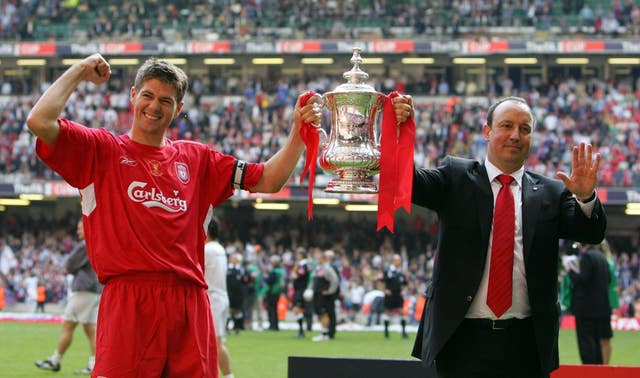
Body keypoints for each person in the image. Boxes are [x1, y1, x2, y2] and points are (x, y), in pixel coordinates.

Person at [25, 54, 322, 377]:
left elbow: (268, 178)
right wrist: (81, 70)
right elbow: (39, 121)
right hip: (128, 301)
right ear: (132, 96)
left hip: (189, 302)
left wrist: (298, 131)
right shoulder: (100, 150)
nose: (154, 106)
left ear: (178, 108)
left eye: (165, 100)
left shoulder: (198, 159)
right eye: (148, 95)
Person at [409, 96, 607, 377]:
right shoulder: (456, 177)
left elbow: (591, 232)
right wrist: (400, 131)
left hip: (527, 343)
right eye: (506, 126)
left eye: (524, 129)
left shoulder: (552, 192)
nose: (516, 135)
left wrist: (586, 197)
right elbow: (409, 183)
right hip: (461, 340)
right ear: (487, 131)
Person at [35, 219, 102, 375]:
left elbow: (70, 265)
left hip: (83, 290)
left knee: (68, 325)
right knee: (90, 329)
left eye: (80, 228)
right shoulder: (98, 241)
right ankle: (93, 364)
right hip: (95, 290)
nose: (78, 231)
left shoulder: (86, 244)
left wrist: (72, 269)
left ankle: (55, 360)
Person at [567, 242, 611, 365]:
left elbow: (583, 279)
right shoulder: (602, 257)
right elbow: (609, 279)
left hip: (586, 308)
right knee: (597, 341)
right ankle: (598, 368)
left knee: (586, 341)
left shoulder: (587, 257)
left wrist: (571, 272)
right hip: (601, 308)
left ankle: (588, 368)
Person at [204, 216, 234, 378]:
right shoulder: (219, 248)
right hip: (220, 297)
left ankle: (228, 375)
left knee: (216, 343)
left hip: (213, 298)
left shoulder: (206, 250)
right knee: (215, 342)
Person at [311, 249, 339, 342]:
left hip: (324, 296)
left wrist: (330, 291)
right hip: (318, 295)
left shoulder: (327, 268)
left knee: (324, 314)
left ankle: (325, 334)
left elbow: (335, 280)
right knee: (320, 314)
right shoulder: (318, 268)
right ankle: (324, 332)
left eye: (319, 258)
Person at [379, 253, 408, 339]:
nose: (398, 262)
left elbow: (405, 283)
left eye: (399, 260)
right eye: (396, 260)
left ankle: (404, 332)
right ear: (393, 261)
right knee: (388, 312)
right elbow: (380, 281)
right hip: (390, 295)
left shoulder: (401, 272)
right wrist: (384, 290)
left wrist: (404, 290)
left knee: (402, 312)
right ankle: (386, 332)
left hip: (398, 295)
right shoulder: (387, 270)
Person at [600, 239, 619, 365]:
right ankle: (604, 364)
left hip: (603, 302)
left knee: (604, 337)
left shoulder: (605, 263)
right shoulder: (609, 263)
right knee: (604, 337)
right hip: (606, 302)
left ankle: (605, 365)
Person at [290, 247, 312, 338]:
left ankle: (302, 330)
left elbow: (295, 276)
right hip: (298, 289)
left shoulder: (304, 265)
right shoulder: (300, 265)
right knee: (298, 309)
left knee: (298, 309)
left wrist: (294, 272)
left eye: (298, 254)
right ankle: (302, 329)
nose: (296, 255)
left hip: (301, 289)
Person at [226, 252, 245, 334]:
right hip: (229, 292)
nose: (234, 260)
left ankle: (237, 327)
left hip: (238, 294)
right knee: (229, 310)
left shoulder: (241, 269)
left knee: (237, 311)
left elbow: (244, 281)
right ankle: (227, 327)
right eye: (233, 258)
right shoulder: (227, 268)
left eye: (235, 258)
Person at [264, 254, 284, 331]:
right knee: (274, 309)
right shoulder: (280, 271)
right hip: (277, 291)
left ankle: (272, 325)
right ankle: (275, 325)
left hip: (272, 291)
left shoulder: (275, 271)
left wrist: (266, 278)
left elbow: (270, 281)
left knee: (271, 309)